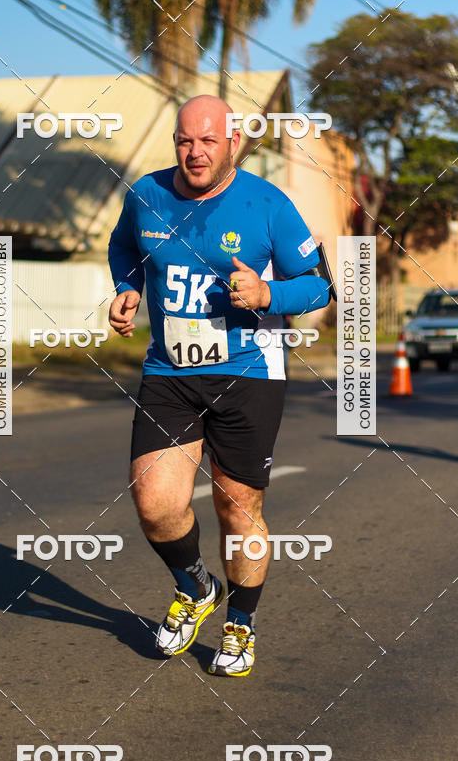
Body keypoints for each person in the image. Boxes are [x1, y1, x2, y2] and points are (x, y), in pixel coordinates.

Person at [107, 95, 331, 677]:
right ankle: (196, 586)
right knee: (155, 504)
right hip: (170, 371)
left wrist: (268, 296)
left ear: (232, 141)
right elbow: (123, 246)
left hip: (248, 372)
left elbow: (319, 286)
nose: (195, 152)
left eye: (208, 141)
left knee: (239, 507)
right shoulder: (147, 195)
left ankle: (241, 626)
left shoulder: (267, 204)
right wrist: (127, 286)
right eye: (185, 140)